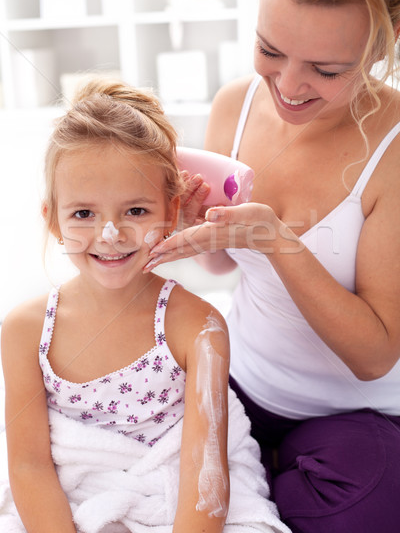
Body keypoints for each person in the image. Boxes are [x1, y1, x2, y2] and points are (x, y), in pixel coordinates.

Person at [143, 0, 400, 531]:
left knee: (369, 500)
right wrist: (200, 225)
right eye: (269, 48)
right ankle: (271, 468)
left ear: (384, 45)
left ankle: (265, 468)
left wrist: (278, 241)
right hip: (244, 382)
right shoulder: (235, 106)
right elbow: (222, 269)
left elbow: (375, 354)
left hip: (354, 413)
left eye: (327, 69)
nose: (288, 83)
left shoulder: (391, 150)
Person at [0, 78, 291, 533]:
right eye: (83, 213)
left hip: (176, 502)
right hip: (74, 502)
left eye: (136, 211)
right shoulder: (25, 330)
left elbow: (206, 477)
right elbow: (30, 467)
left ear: (170, 212)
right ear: (53, 220)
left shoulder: (200, 326)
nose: (110, 234)